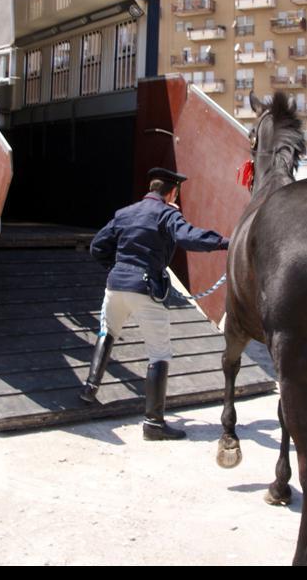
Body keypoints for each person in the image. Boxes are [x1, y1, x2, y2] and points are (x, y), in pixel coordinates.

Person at [81, 167, 230, 441]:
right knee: (159, 354)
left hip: (115, 286)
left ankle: (90, 388)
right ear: (172, 192)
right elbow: (188, 237)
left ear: (151, 188)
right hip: (146, 288)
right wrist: (224, 243)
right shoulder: (167, 214)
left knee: (107, 331)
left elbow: (97, 246)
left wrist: (117, 269)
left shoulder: (124, 213)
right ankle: (153, 424)